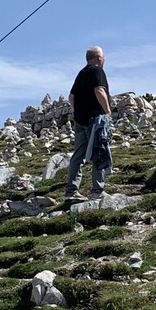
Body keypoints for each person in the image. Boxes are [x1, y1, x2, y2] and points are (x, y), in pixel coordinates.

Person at [65, 46, 111, 201]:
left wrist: (79, 110)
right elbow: (99, 90)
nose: (104, 60)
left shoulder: (81, 73)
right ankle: (97, 190)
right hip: (95, 118)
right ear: (99, 58)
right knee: (99, 150)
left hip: (80, 120)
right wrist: (107, 111)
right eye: (103, 57)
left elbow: (71, 97)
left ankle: (71, 191)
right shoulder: (97, 71)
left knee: (78, 155)